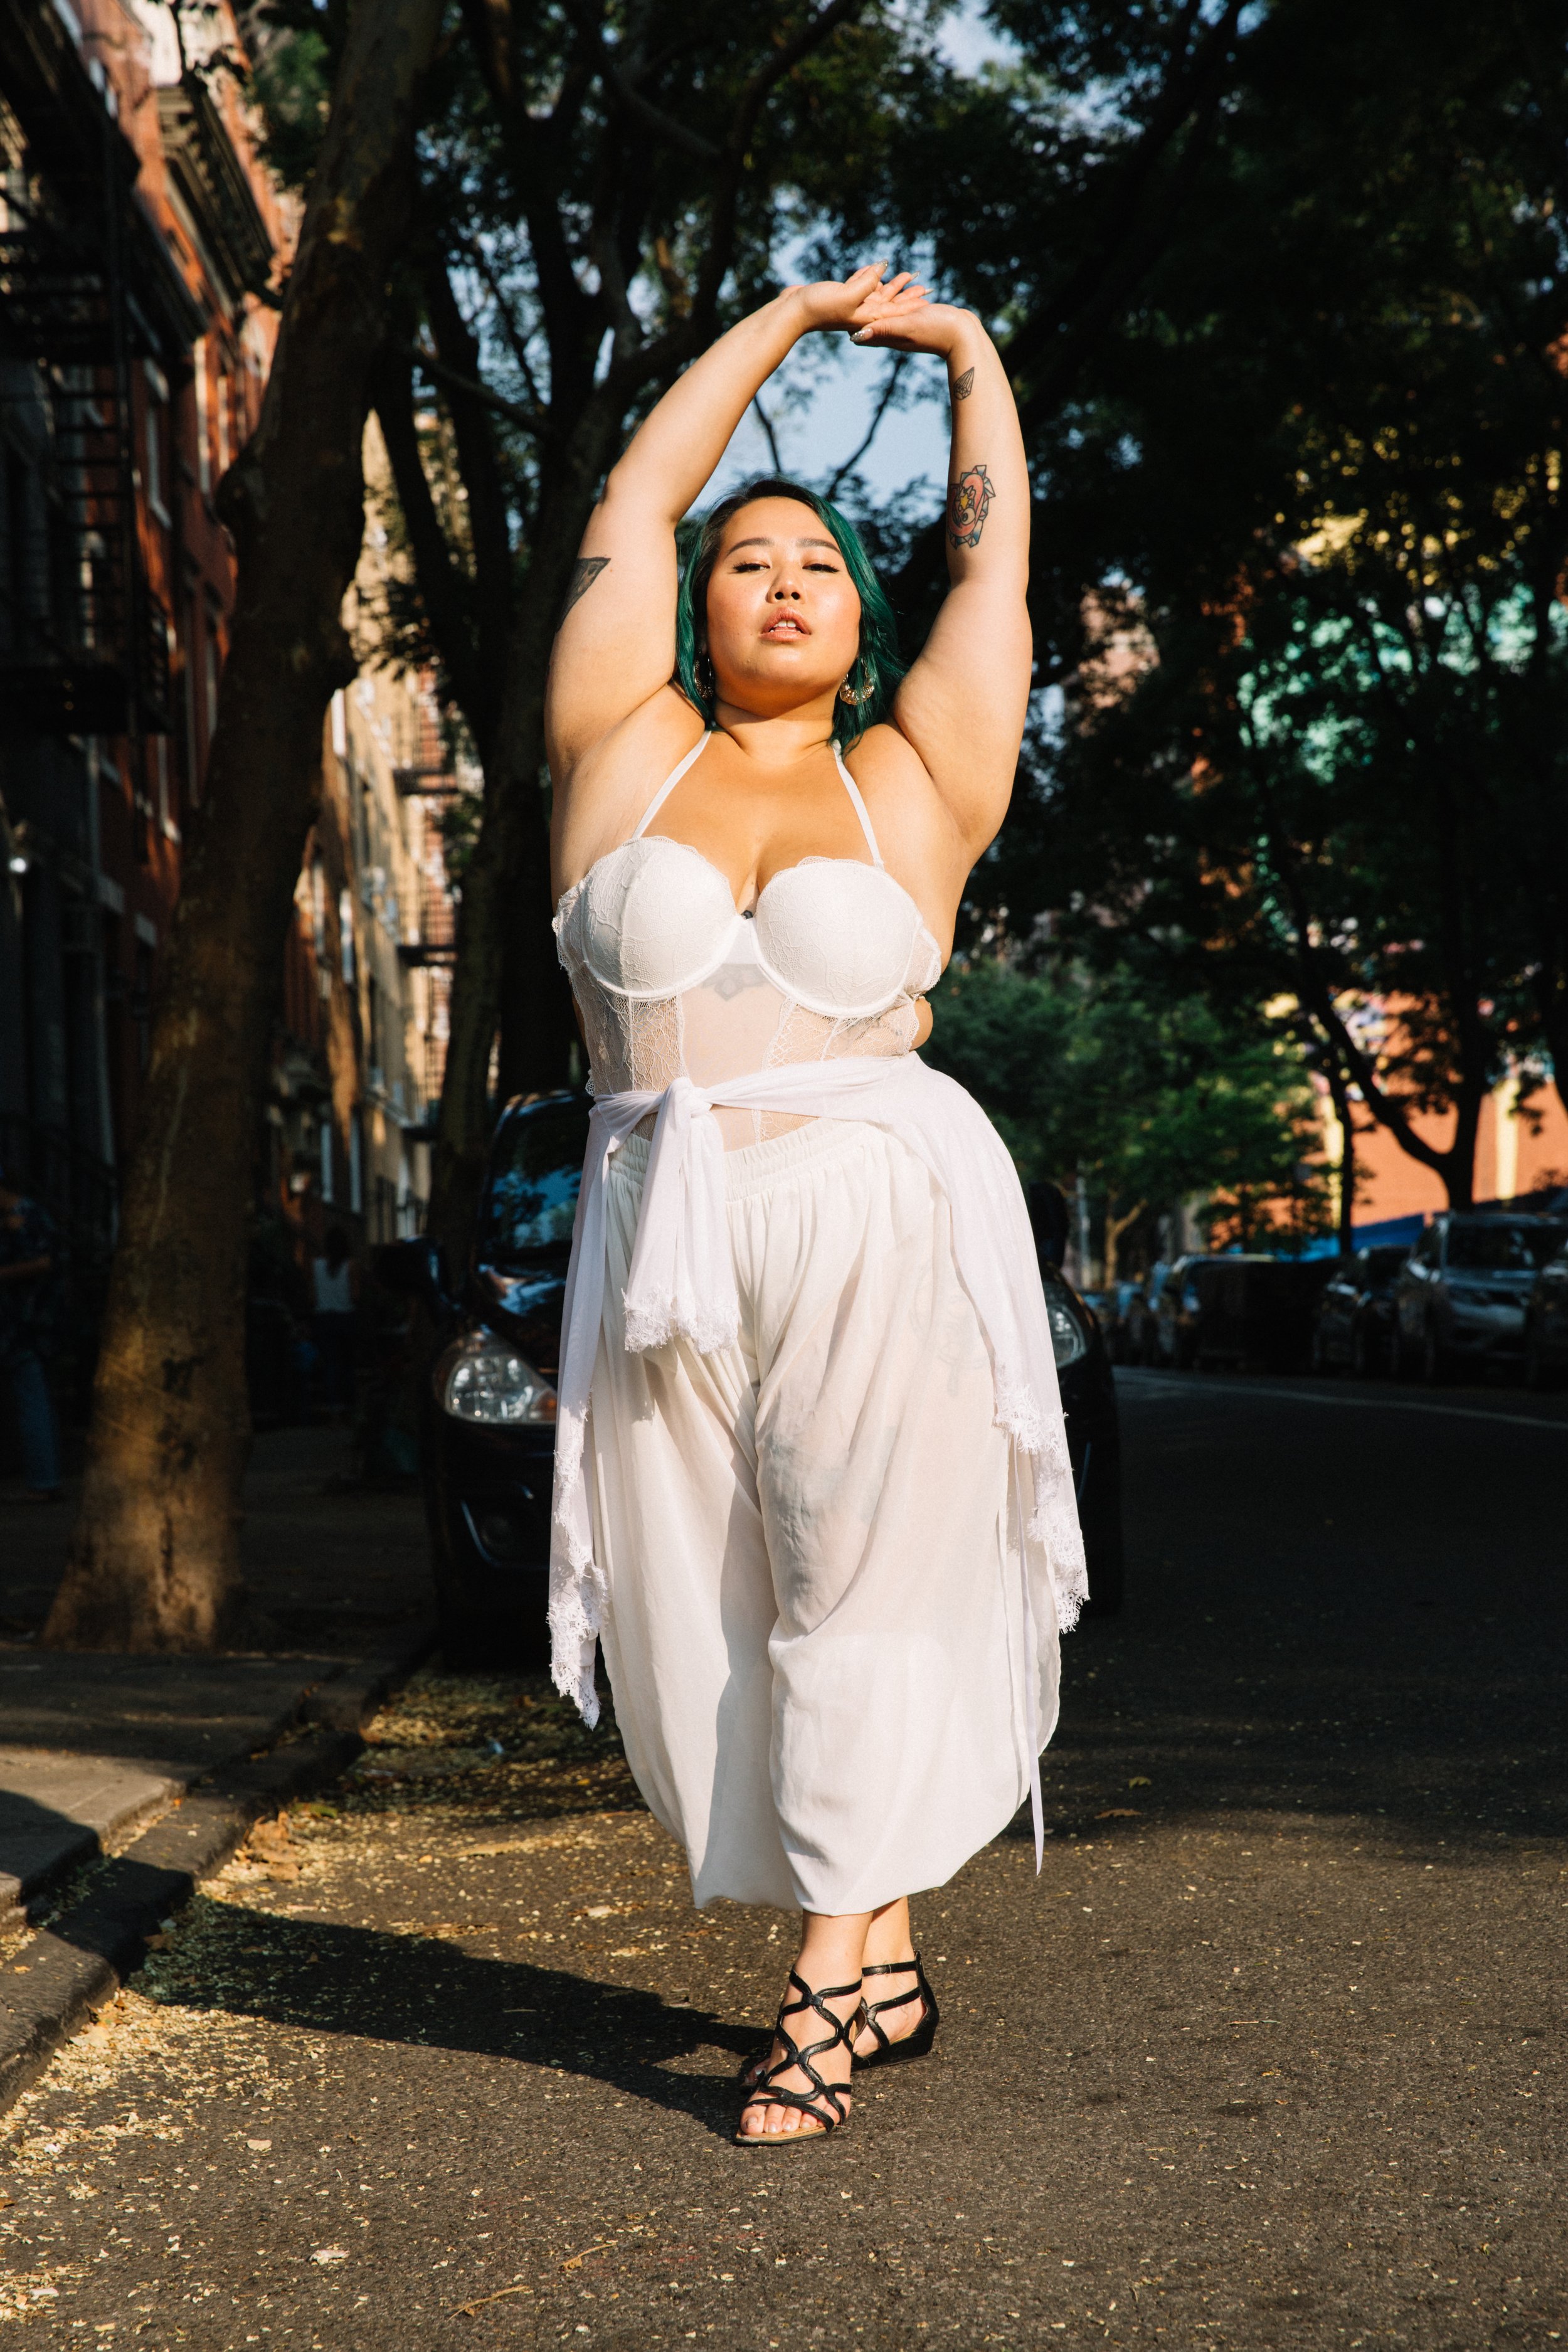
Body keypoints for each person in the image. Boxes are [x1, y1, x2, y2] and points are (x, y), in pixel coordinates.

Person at [546, 263, 1086, 2146]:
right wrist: (777, 324)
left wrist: (970, 359)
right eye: (746, 558)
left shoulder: (912, 776)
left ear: (861, 622)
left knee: (856, 1581)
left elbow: (993, 565)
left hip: (873, 1212)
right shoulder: (623, 747)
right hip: (657, 1225)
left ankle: (823, 1980)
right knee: (712, 1609)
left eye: (821, 566)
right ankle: (885, 1938)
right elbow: (633, 494)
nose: (781, 580)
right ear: (696, 603)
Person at [0, 1172, 63, 1502]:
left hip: (26, 1324)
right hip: (20, 1323)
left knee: (32, 1395)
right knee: (33, 1395)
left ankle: (44, 1479)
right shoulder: (14, 1219)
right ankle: (44, 1476)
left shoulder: (27, 1217)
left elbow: (43, 1263)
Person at [309, 1226, 360, 1419]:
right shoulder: (350, 1266)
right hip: (345, 1317)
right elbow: (355, 1296)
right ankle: (349, 1407)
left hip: (324, 1318)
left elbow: (312, 1296)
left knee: (331, 1364)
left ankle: (333, 1408)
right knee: (347, 1364)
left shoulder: (316, 1266)